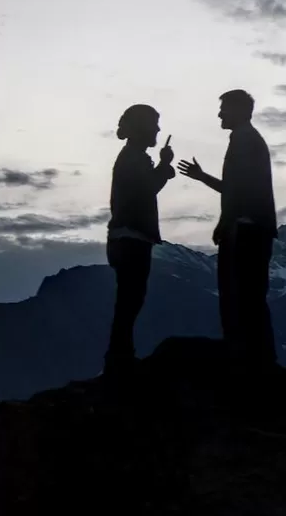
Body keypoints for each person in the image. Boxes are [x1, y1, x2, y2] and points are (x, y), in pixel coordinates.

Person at [178, 89, 278, 365]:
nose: (220, 114)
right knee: (251, 297)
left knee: (239, 295)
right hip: (253, 229)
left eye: (225, 108)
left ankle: (245, 358)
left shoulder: (244, 141)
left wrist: (226, 223)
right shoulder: (247, 140)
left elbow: (237, 191)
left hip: (245, 231)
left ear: (241, 110)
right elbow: (235, 188)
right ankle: (259, 359)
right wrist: (202, 177)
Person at [105, 104, 175, 377]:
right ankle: (119, 357)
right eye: (155, 124)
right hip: (131, 238)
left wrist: (161, 168)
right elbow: (147, 189)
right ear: (143, 127)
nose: (158, 129)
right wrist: (165, 165)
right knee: (130, 299)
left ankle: (120, 354)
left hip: (125, 238)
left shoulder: (131, 157)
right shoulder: (134, 158)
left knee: (129, 299)